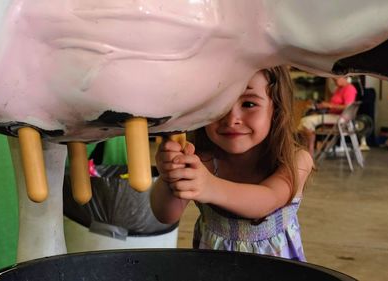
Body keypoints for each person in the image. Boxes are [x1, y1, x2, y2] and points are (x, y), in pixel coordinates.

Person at [150, 67, 314, 261]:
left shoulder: (296, 160)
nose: (231, 119)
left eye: (249, 103)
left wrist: (209, 186)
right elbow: (165, 215)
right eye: (219, 105)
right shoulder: (204, 160)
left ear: (276, 108)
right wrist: (170, 176)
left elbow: (267, 200)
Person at [298, 76, 357, 155]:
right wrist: (323, 106)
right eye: (333, 80)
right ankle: (309, 149)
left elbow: (348, 107)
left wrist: (329, 105)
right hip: (333, 115)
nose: (334, 81)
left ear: (344, 77)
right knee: (305, 122)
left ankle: (309, 149)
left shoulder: (349, 89)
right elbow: (334, 103)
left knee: (305, 121)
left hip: (340, 118)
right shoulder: (339, 88)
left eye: (336, 79)